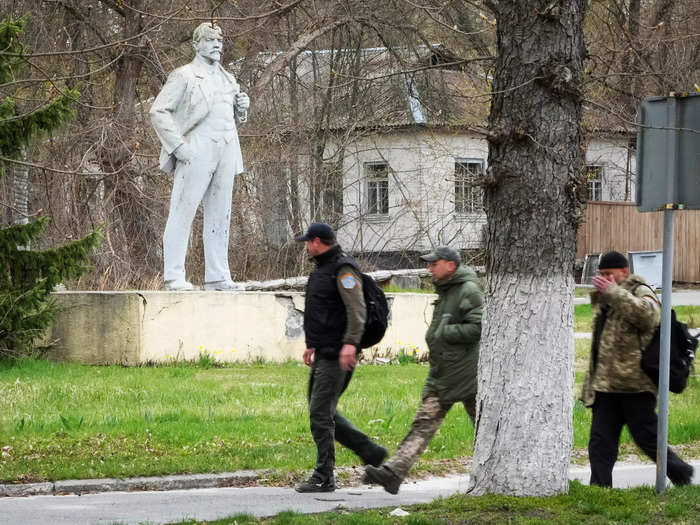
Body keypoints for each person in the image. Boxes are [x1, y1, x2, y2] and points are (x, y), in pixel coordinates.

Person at [364, 245, 482, 494]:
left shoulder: (468, 291)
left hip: (464, 375)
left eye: (434, 263)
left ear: (450, 265)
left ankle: (496, 470)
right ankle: (394, 473)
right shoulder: (448, 290)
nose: (429, 268)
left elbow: (480, 327)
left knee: (481, 426)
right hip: (445, 371)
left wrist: (446, 332)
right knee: (428, 423)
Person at [581, 250, 694, 487]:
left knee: (647, 439)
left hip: (636, 385)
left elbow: (647, 317)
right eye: (601, 274)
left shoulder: (641, 291)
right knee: (600, 442)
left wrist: (612, 292)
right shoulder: (608, 297)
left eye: (609, 273)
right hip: (607, 386)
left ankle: (682, 473)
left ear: (624, 271)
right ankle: (600, 489)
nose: (605, 278)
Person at [150, 22, 250, 291]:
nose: (217, 44)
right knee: (183, 211)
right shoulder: (184, 75)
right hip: (197, 146)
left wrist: (242, 110)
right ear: (196, 44)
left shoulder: (229, 79)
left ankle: (218, 276)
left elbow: (230, 118)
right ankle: (174, 275)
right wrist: (179, 147)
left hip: (227, 147)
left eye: (219, 40)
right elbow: (158, 111)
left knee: (221, 214)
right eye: (209, 40)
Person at [294, 222, 386, 493]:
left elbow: (356, 310)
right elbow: (322, 310)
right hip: (325, 351)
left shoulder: (343, 269)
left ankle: (324, 476)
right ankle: (371, 453)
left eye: (308, 242)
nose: (307, 247)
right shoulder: (323, 269)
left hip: (338, 354)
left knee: (320, 413)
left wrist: (350, 345)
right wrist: (312, 344)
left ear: (318, 242)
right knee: (322, 409)